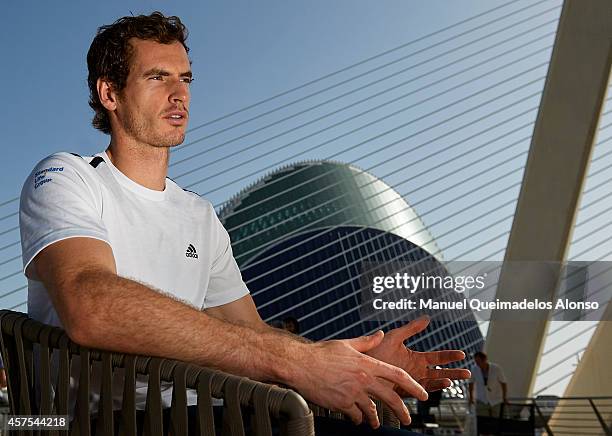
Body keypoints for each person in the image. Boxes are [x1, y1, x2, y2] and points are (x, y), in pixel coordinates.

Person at [19, 11, 470, 434]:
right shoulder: (66, 178)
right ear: (110, 93)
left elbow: (252, 331)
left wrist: (356, 357)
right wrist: (295, 363)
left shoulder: (200, 216)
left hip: (209, 413)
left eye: (186, 79)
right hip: (100, 422)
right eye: (158, 78)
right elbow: (91, 306)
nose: (180, 94)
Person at [468, 351, 507, 418]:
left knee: (496, 421)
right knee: (482, 421)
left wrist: (504, 397)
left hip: (496, 400)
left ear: (484, 360)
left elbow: (503, 383)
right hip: (481, 400)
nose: (477, 364)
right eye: (476, 362)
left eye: (478, 361)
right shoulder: (474, 369)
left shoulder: (496, 368)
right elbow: (471, 383)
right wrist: (471, 398)